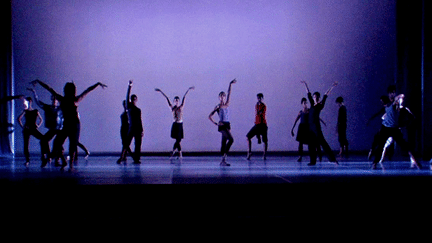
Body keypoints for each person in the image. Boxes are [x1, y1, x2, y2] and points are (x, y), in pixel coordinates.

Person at [30, 79, 107, 171]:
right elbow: (88, 90)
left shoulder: (66, 99)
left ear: (66, 90)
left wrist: (39, 81)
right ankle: (67, 163)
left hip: (73, 124)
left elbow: (49, 89)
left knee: (68, 143)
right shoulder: (73, 99)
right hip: (71, 124)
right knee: (63, 143)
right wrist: (97, 84)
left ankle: (70, 165)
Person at [372, 94, 421, 169]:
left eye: (383, 101)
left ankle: (417, 163)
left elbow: (400, 97)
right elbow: (384, 115)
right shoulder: (386, 107)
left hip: (393, 128)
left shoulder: (392, 105)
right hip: (386, 128)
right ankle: (375, 163)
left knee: (404, 145)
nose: (382, 103)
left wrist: (397, 97)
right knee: (381, 146)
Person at [300, 80, 338, 166]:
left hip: (316, 127)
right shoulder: (312, 104)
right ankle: (313, 161)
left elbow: (326, 95)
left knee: (322, 142)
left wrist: (332, 87)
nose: (315, 98)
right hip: (310, 127)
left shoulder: (320, 105)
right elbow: (308, 93)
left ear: (319, 98)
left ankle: (333, 159)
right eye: (314, 97)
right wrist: (305, 84)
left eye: (316, 97)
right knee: (311, 144)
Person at [155, 86, 195, 159]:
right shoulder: (172, 108)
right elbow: (167, 98)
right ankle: (179, 154)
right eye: (175, 100)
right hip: (175, 124)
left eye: (177, 100)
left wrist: (188, 90)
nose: (176, 101)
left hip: (180, 124)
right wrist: (161, 92)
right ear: (174, 102)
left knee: (178, 140)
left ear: (178, 102)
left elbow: (184, 98)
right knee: (178, 140)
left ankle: (174, 152)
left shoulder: (181, 107)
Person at [209, 79, 236, 166]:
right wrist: (216, 123)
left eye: (223, 96)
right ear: (219, 97)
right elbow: (210, 116)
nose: (222, 97)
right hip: (222, 125)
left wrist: (230, 84)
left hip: (228, 124)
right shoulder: (218, 106)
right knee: (231, 139)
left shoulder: (227, 103)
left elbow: (229, 93)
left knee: (223, 143)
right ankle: (223, 159)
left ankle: (223, 160)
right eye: (221, 96)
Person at [291, 97, 325, 162]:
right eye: (304, 103)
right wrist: (292, 129)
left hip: (308, 127)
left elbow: (316, 116)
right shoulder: (300, 112)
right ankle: (300, 156)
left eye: (306, 103)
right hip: (301, 128)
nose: (306, 104)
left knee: (312, 143)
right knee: (300, 143)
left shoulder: (309, 111)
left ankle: (317, 156)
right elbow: (296, 120)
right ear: (302, 104)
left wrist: (322, 122)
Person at [118, 80, 143, 164]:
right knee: (126, 143)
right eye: (133, 99)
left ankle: (136, 159)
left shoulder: (138, 110)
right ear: (131, 100)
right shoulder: (129, 107)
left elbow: (140, 120)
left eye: (135, 99)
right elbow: (127, 95)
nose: (134, 100)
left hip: (138, 128)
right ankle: (122, 157)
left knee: (138, 144)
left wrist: (142, 130)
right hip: (131, 127)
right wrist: (130, 86)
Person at [17, 97, 45, 166]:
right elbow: (19, 119)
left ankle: (44, 156)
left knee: (43, 139)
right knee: (26, 145)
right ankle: (27, 160)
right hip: (27, 129)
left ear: (31, 102)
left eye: (29, 101)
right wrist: (23, 126)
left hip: (33, 128)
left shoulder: (35, 111)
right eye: (27, 101)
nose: (28, 103)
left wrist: (38, 125)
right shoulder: (25, 111)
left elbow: (41, 119)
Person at [246, 93, 268, 160]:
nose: (259, 99)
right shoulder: (256, 105)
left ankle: (264, 154)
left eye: (260, 98)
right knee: (248, 136)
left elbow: (260, 113)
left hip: (263, 125)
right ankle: (249, 152)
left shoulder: (263, 106)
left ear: (262, 98)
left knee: (265, 141)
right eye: (258, 98)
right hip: (257, 124)